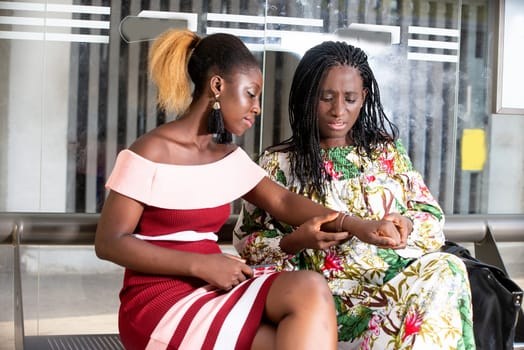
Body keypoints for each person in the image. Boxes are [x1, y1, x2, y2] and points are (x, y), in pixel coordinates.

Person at [95, 29, 405, 350]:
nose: (257, 107)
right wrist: (200, 264)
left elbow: (282, 200)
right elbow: (109, 243)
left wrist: (358, 225)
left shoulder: (227, 157)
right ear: (218, 86)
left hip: (214, 286)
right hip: (160, 302)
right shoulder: (150, 151)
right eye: (251, 93)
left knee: (308, 294)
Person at [233, 41, 476, 349]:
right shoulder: (277, 164)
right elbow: (248, 247)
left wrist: (406, 224)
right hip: (325, 306)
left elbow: (432, 218)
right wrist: (296, 241)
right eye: (326, 98)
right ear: (308, 97)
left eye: (350, 98)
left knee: (447, 268)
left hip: (396, 293)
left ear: (363, 97)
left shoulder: (386, 153)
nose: (338, 110)